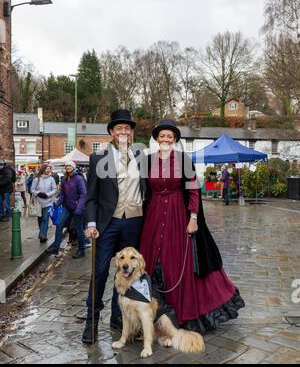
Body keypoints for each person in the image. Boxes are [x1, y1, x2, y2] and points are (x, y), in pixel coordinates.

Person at [139, 120, 245, 334]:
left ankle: (181, 313)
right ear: (157, 139)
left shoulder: (183, 160)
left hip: (178, 213)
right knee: (151, 261)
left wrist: (193, 218)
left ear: (175, 140)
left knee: (177, 262)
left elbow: (194, 190)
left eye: (170, 136)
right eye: (162, 136)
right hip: (154, 213)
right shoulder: (147, 161)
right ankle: (152, 313)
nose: (166, 139)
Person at [82, 109, 147, 344]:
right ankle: (92, 320)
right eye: (119, 128)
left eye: (127, 128)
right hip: (107, 224)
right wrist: (90, 223)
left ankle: (119, 318)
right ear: (111, 132)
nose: (123, 131)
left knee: (127, 272)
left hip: (134, 222)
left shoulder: (142, 157)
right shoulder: (98, 159)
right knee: (100, 271)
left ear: (131, 133)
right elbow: (90, 197)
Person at [47, 161, 87, 258]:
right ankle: (56, 248)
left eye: (70, 166)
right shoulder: (64, 179)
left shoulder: (79, 179)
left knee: (78, 229)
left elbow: (83, 194)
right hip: (67, 207)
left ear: (73, 167)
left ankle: (81, 250)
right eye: (66, 166)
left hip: (78, 208)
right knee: (59, 224)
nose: (68, 167)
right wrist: (56, 204)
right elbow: (62, 195)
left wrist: (79, 208)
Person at [31, 165, 57, 243]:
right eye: (47, 168)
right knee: (40, 219)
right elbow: (32, 189)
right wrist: (38, 193)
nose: (49, 170)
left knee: (45, 218)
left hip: (48, 202)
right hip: (38, 203)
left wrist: (47, 194)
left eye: (49, 168)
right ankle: (42, 233)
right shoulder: (36, 179)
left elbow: (55, 189)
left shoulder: (51, 179)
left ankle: (42, 235)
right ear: (43, 169)